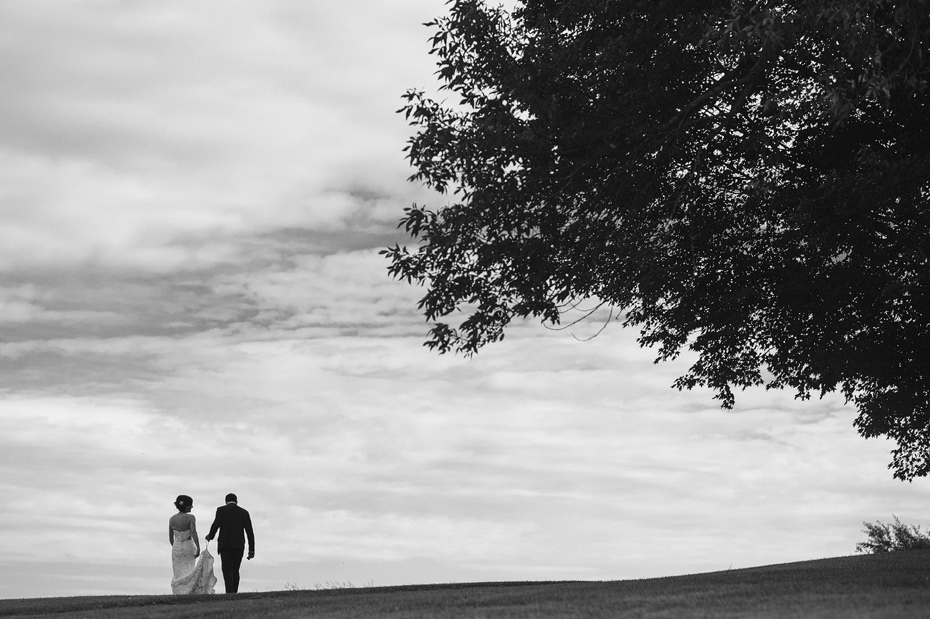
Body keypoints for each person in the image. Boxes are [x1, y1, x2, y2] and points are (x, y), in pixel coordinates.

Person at [205, 493, 255, 593]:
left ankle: (229, 593)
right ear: (237, 501)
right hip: (238, 545)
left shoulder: (221, 510)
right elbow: (250, 532)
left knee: (227, 570)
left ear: (226, 501)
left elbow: (216, 524)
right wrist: (251, 550)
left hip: (225, 544)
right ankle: (234, 592)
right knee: (235, 570)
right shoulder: (244, 512)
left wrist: (210, 536)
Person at [168, 495, 216, 594]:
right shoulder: (190, 517)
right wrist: (198, 547)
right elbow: (193, 533)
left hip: (176, 547)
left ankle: (178, 591)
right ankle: (187, 591)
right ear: (186, 506)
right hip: (188, 545)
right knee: (189, 570)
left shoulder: (172, 519)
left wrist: (176, 546)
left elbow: (170, 538)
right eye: (190, 505)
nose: (192, 507)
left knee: (178, 571)